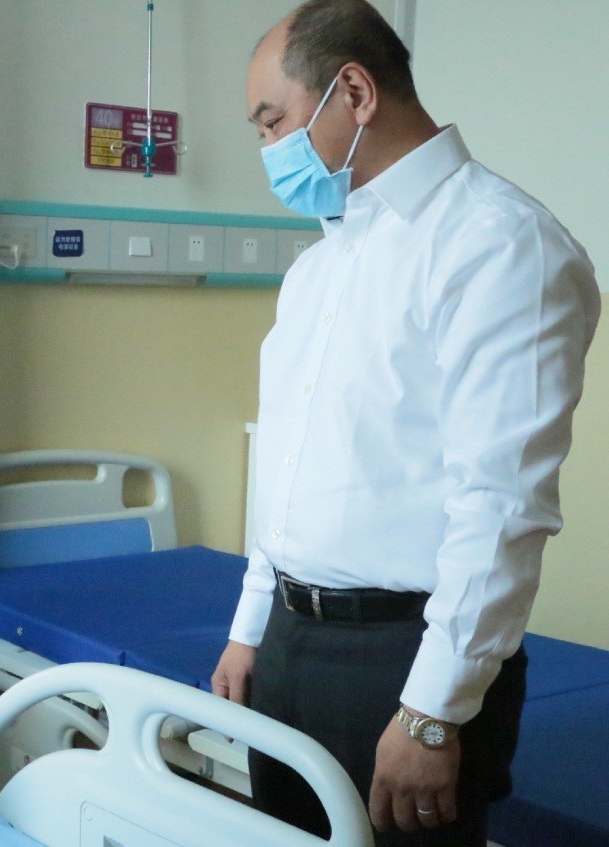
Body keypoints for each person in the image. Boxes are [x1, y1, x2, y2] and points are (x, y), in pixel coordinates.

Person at [210, 1, 600, 844]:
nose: (267, 149)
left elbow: (500, 504)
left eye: (272, 122)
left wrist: (430, 712)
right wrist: (250, 631)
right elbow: (286, 469)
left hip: (400, 658)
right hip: (288, 641)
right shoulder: (320, 266)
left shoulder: (502, 247)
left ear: (353, 91)